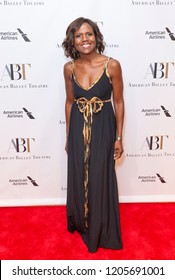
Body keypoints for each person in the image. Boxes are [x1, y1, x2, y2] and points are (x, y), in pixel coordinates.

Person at [62, 17, 124, 253]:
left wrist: (118, 138)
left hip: (103, 124)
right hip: (78, 124)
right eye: (78, 36)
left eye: (89, 34)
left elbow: (118, 102)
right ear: (73, 41)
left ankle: (100, 228)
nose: (84, 39)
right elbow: (69, 102)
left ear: (96, 37)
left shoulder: (112, 65)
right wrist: (69, 136)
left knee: (99, 175)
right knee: (78, 174)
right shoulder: (69, 68)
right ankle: (81, 220)